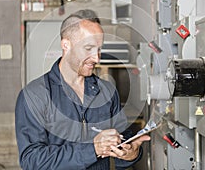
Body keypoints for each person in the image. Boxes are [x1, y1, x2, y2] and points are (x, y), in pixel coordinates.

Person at [15, 9, 150, 170]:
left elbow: (121, 138)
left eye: (99, 49)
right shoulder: (34, 96)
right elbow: (32, 161)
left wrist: (130, 153)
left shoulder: (106, 91)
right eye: (88, 48)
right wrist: (92, 149)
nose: (97, 58)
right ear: (66, 45)